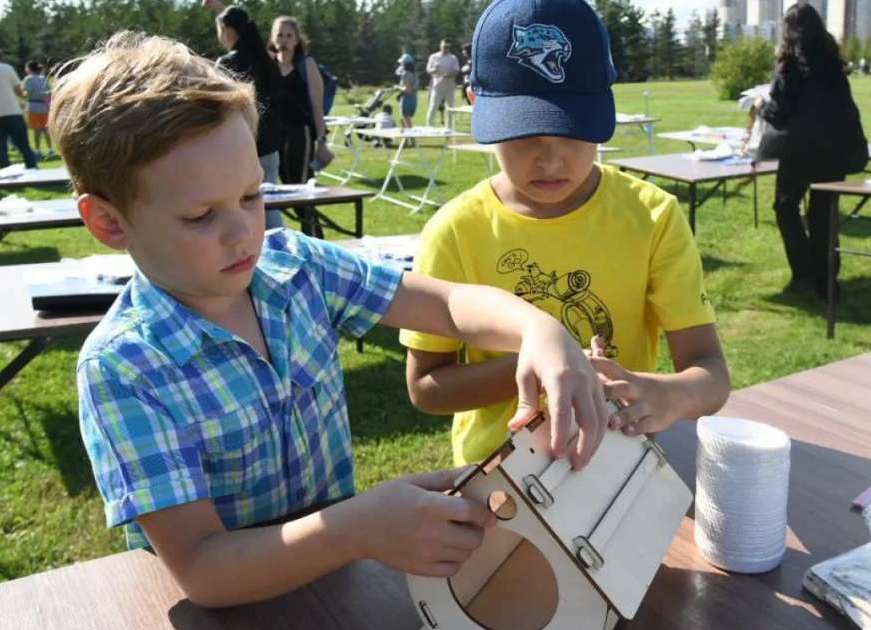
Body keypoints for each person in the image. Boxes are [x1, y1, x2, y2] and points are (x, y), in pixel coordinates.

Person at [51, 32, 608, 605]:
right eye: (200, 216)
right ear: (109, 223)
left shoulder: (296, 268)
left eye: (250, 196)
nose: (243, 231)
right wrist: (358, 526)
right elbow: (202, 570)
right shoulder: (125, 367)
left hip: (334, 588)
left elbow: (445, 305)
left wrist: (538, 328)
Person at [400, 0, 731, 467]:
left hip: (618, 470)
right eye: (524, 135)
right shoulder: (455, 231)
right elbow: (425, 387)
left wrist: (665, 395)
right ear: (476, 103)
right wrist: (547, 366)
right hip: (500, 482)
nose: (551, 161)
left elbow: (710, 374)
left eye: (573, 132)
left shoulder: (652, 217)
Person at [759, 3, 868, 300]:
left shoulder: (791, 65)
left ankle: (804, 271)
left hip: (802, 150)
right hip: (836, 149)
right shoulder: (832, 63)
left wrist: (761, 106)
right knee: (823, 214)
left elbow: (779, 112)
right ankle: (826, 281)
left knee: (785, 207)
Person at [209, 2, 286, 229]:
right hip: (270, 144)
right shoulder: (267, 61)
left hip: (238, 145)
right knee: (268, 205)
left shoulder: (227, 63)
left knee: (244, 208)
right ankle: (282, 250)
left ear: (227, 30)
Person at [269, 16, 333, 236]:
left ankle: (317, 245)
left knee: (300, 192)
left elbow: (317, 106)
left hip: (299, 135)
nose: (284, 40)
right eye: (280, 34)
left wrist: (322, 142)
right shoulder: (268, 65)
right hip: (274, 137)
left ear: (297, 40)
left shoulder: (306, 64)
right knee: (282, 193)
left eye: (289, 35)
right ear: (272, 37)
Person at [426, 40, 459, 128]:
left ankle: (449, 128)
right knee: (433, 106)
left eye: (447, 47)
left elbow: (456, 70)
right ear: (440, 46)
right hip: (437, 86)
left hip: (449, 86)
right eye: (444, 47)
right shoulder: (434, 57)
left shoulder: (453, 58)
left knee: (450, 108)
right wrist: (435, 69)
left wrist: (449, 74)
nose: (446, 49)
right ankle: (429, 127)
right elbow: (429, 70)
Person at [23, 60, 53, 160]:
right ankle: (50, 149)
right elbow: (49, 91)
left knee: (37, 130)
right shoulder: (43, 78)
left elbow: (27, 93)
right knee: (46, 130)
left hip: (33, 106)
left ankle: (37, 150)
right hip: (44, 106)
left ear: (29, 69)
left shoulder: (28, 79)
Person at [395, 54, 418, 129]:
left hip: (407, 98)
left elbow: (407, 89)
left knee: (406, 119)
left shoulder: (406, 74)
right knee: (402, 119)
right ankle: (405, 139)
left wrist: (397, 87)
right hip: (414, 98)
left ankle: (411, 138)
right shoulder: (414, 73)